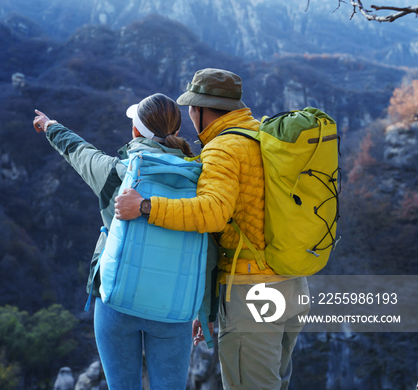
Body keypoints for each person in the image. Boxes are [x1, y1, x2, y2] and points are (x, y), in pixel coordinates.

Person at [114, 69, 310, 390]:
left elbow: (212, 214)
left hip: (254, 292)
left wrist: (146, 207)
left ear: (200, 110)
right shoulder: (262, 133)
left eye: (192, 107)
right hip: (292, 284)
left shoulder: (222, 148)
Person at [33, 93, 209, 390]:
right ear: (176, 132)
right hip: (175, 308)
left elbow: (79, 151)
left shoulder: (116, 172)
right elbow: (212, 242)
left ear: (135, 131)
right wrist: (206, 309)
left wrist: (50, 126)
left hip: (117, 300)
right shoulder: (199, 178)